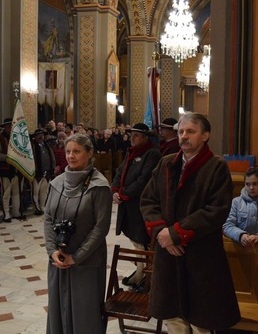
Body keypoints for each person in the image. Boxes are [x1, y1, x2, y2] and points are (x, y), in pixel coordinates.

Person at [140, 112, 240, 333]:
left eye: (190, 131)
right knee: (174, 320)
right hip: (168, 255)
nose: (184, 136)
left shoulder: (216, 167)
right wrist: (162, 234)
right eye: (181, 132)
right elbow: (148, 201)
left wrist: (175, 234)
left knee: (201, 322)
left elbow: (216, 210)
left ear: (205, 135)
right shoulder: (166, 163)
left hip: (201, 257)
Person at [43, 133, 112, 334]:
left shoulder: (99, 186)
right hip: (58, 259)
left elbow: (101, 228)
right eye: (68, 151)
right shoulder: (56, 183)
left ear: (90, 154)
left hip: (86, 261)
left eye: (76, 151)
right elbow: (48, 218)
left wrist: (77, 257)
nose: (71, 156)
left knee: (84, 312)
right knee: (58, 307)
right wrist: (51, 250)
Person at [111, 123, 161, 288]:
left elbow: (144, 179)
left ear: (145, 138)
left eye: (136, 135)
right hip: (128, 205)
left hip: (140, 206)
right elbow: (120, 172)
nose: (132, 138)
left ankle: (146, 277)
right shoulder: (131, 152)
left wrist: (124, 193)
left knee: (142, 240)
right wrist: (115, 190)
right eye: (131, 134)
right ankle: (140, 270)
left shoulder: (152, 154)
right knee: (135, 240)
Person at [223, 167, 258, 246]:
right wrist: (241, 235)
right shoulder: (236, 202)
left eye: (255, 184)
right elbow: (227, 226)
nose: (251, 188)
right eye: (247, 184)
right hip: (239, 246)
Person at [0, 118, 25, 222]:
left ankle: (16, 212)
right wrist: (9, 157)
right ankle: (6, 213)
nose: (10, 128)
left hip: (17, 169)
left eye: (12, 126)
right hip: (5, 169)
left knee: (17, 193)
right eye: (8, 126)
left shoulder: (19, 137)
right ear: (5, 127)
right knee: (6, 193)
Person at [30, 129, 56, 215]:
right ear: (35, 137)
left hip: (47, 172)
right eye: (38, 135)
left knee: (44, 191)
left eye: (42, 135)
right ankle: (36, 208)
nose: (40, 136)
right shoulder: (32, 146)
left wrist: (52, 168)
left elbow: (52, 157)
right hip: (37, 173)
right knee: (35, 191)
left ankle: (42, 206)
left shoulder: (47, 145)